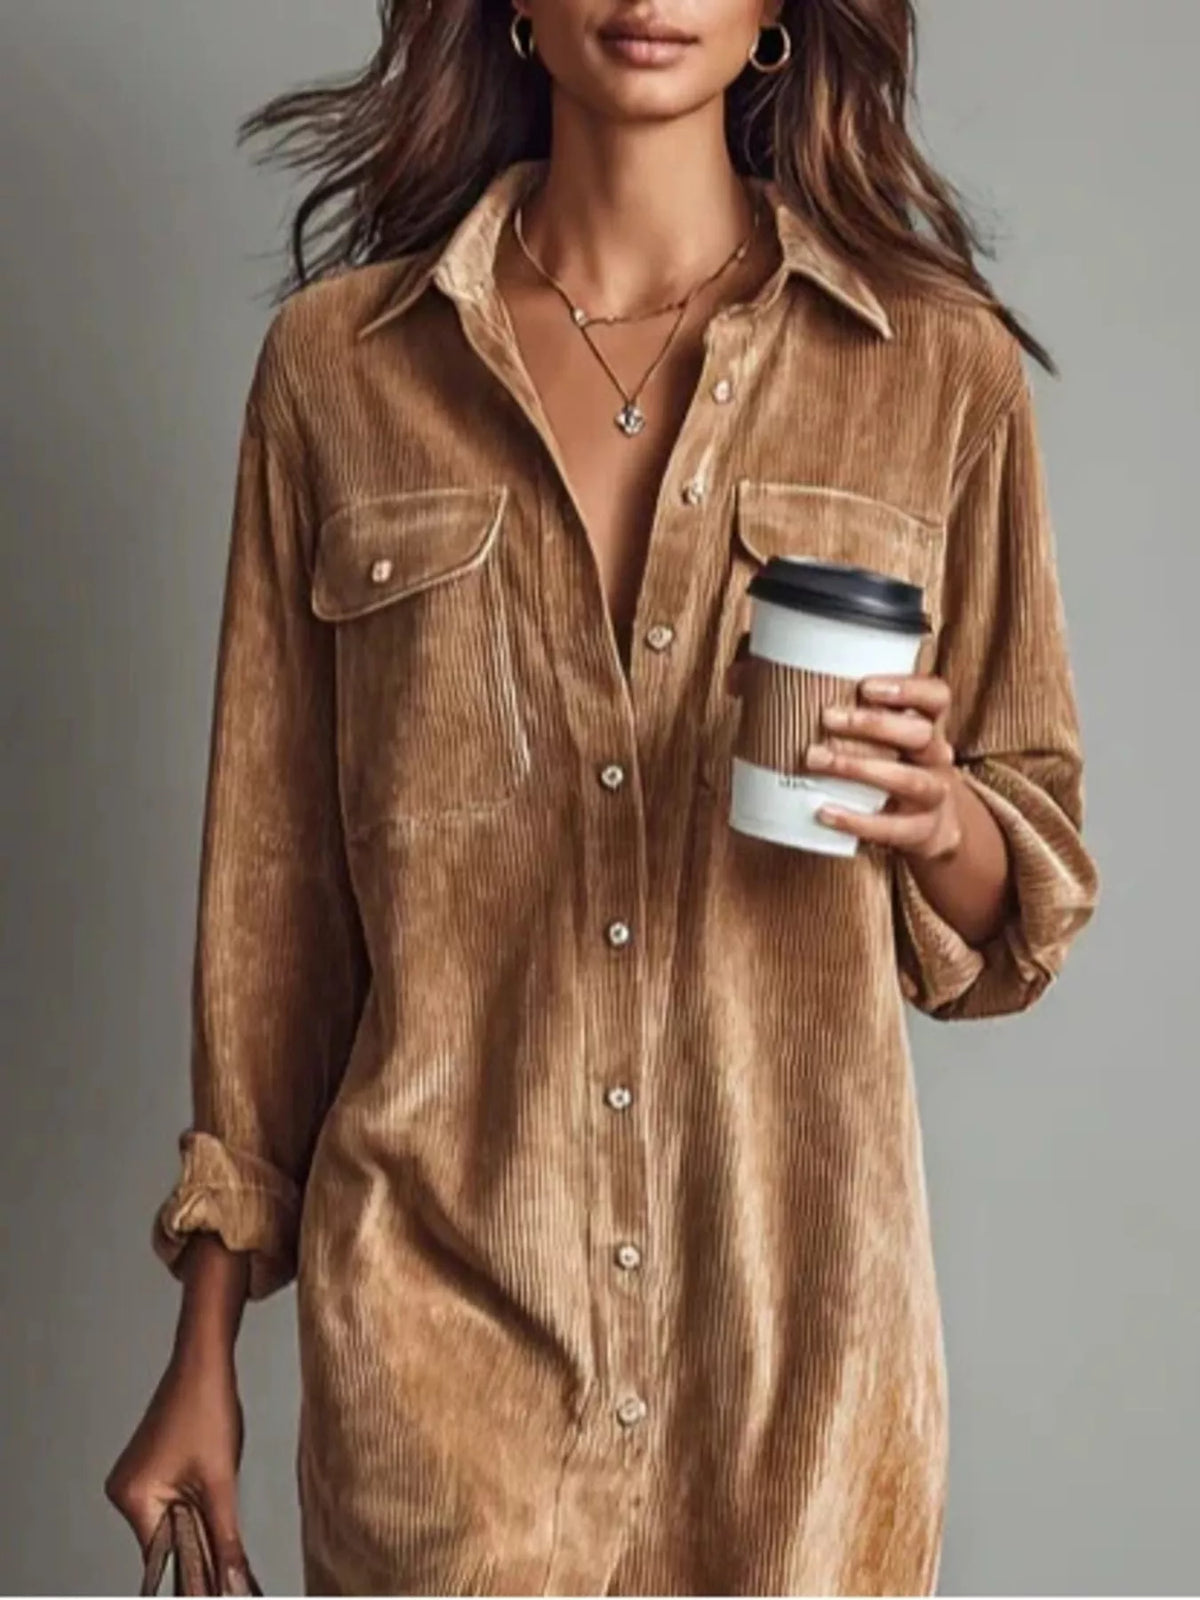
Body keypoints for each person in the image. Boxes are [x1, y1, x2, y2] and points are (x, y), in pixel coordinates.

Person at [104, 1, 1100, 1593]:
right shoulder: (338, 374)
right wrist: (202, 1347)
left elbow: (1022, 893)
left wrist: (941, 820)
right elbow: (272, 912)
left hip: (802, 1378)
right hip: (436, 1362)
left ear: (778, 15)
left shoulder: (936, 371)